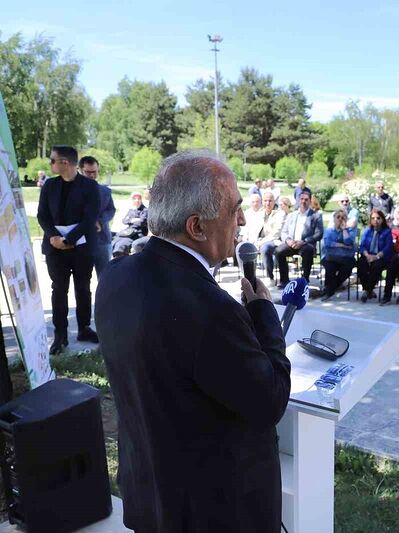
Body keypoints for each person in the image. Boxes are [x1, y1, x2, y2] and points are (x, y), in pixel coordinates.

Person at [95, 151, 291, 533]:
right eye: (234, 209)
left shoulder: (115, 276)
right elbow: (270, 399)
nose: (244, 219)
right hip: (211, 512)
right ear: (197, 227)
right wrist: (264, 312)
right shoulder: (211, 310)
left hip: (150, 496)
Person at [37, 145, 100, 354]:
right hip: (55, 248)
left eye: (52, 160)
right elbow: (42, 215)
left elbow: (90, 218)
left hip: (81, 247)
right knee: (59, 290)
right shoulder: (49, 185)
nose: (51, 164)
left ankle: (84, 328)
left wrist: (70, 239)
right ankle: (60, 334)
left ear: (65, 163)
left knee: (83, 288)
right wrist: (55, 237)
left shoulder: (90, 187)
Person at [275, 191, 323, 287]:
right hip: (291, 244)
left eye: (306, 199)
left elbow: (319, 234)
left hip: (306, 244)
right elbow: (283, 232)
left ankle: (304, 280)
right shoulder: (291, 215)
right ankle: (284, 280)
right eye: (301, 199)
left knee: (308, 250)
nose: (303, 201)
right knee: (279, 251)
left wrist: (304, 241)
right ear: (298, 200)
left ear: (310, 201)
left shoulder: (315, 216)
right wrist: (288, 241)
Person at [79, 156, 116, 277]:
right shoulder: (72, 192)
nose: (91, 175)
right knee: (82, 281)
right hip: (80, 242)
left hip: (103, 240)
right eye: (88, 172)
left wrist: (100, 221)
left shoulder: (105, 191)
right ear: (80, 170)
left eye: (94, 172)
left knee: (105, 278)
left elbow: (111, 210)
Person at [357, 209, 393, 302]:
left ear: (382, 219)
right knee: (361, 264)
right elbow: (362, 245)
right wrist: (367, 255)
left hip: (380, 257)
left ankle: (367, 290)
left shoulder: (387, 231)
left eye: (378, 218)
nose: (375, 220)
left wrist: (376, 257)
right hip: (368, 255)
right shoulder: (367, 231)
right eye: (373, 218)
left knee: (376, 266)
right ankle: (368, 290)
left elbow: (388, 247)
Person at [321, 208, 356, 301]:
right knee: (330, 267)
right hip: (331, 256)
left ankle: (331, 288)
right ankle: (329, 292)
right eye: (338, 217)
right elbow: (327, 243)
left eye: (343, 217)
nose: (340, 219)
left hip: (346, 257)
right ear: (334, 219)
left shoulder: (350, 231)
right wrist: (342, 245)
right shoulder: (329, 230)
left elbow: (349, 243)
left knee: (349, 266)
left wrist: (344, 230)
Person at [259, 195, 289, 283]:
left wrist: (261, 242)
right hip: (261, 241)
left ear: (274, 202)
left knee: (265, 248)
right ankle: (249, 279)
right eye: (265, 201)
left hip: (276, 241)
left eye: (270, 201)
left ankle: (270, 277)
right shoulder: (260, 213)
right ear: (262, 202)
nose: (267, 203)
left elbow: (276, 233)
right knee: (245, 247)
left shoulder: (280, 213)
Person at [112, 192, 149, 257]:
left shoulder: (145, 210)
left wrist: (131, 219)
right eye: (134, 199)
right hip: (128, 232)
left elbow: (141, 222)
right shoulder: (131, 210)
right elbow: (124, 221)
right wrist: (134, 220)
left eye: (139, 199)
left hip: (138, 234)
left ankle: (123, 262)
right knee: (114, 242)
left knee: (122, 245)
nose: (137, 200)